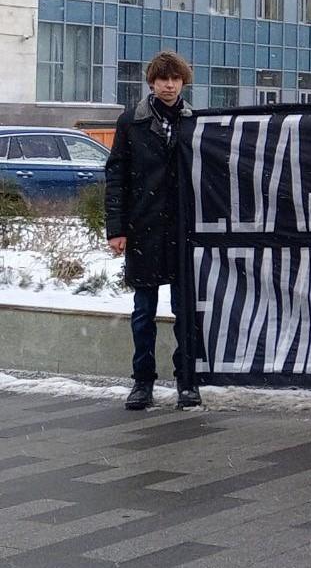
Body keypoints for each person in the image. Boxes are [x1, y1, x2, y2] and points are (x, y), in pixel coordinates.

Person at [105, 50, 201, 411]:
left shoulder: (194, 121)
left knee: (184, 311)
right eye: (163, 79)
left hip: (181, 231)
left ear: (183, 82)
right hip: (143, 229)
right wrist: (116, 228)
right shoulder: (132, 121)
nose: (169, 86)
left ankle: (186, 381)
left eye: (175, 79)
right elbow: (116, 177)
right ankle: (142, 382)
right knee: (143, 311)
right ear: (151, 82)